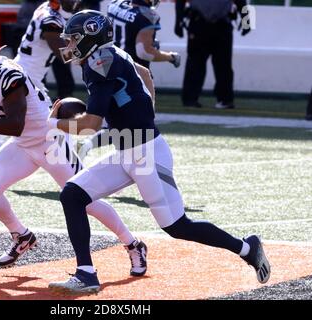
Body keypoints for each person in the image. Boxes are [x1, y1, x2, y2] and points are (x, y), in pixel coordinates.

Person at [47, 10, 270, 294]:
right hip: (129, 149)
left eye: (74, 39)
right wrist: (148, 106)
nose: (69, 46)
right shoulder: (109, 53)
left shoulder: (99, 63)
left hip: (146, 153)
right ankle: (86, 274)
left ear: (91, 37)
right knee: (73, 194)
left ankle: (247, 247)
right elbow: (144, 73)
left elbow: (90, 126)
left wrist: (53, 122)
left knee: (178, 227)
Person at [0, 28, 147, 274]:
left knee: (87, 201)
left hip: (49, 141)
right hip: (23, 146)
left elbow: (15, 125)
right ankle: (22, 236)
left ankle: (133, 244)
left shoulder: (9, 75)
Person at [0, 0, 80, 188]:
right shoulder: (50, 18)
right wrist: (91, 49)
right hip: (25, 78)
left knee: (26, 126)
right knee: (52, 124)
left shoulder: (49, 9)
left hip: (27, 73)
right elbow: (64, 54)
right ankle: (76, 177)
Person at [77, 0, 180, 160]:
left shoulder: (115, 4)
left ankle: (89, 144)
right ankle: (95, 146)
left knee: (112, 120)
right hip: (130, 74)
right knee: (136, 124)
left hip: (108, 64)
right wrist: (170, 57)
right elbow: (144, 52)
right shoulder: (147, 15)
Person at [174, 0, 251, 109]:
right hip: (200, 22)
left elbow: (241, 1)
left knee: (222, 65)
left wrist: (246, 21)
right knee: (196, 63)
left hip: (220, 24)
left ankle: (224, 99)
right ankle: (191, 98)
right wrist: (178, 21)